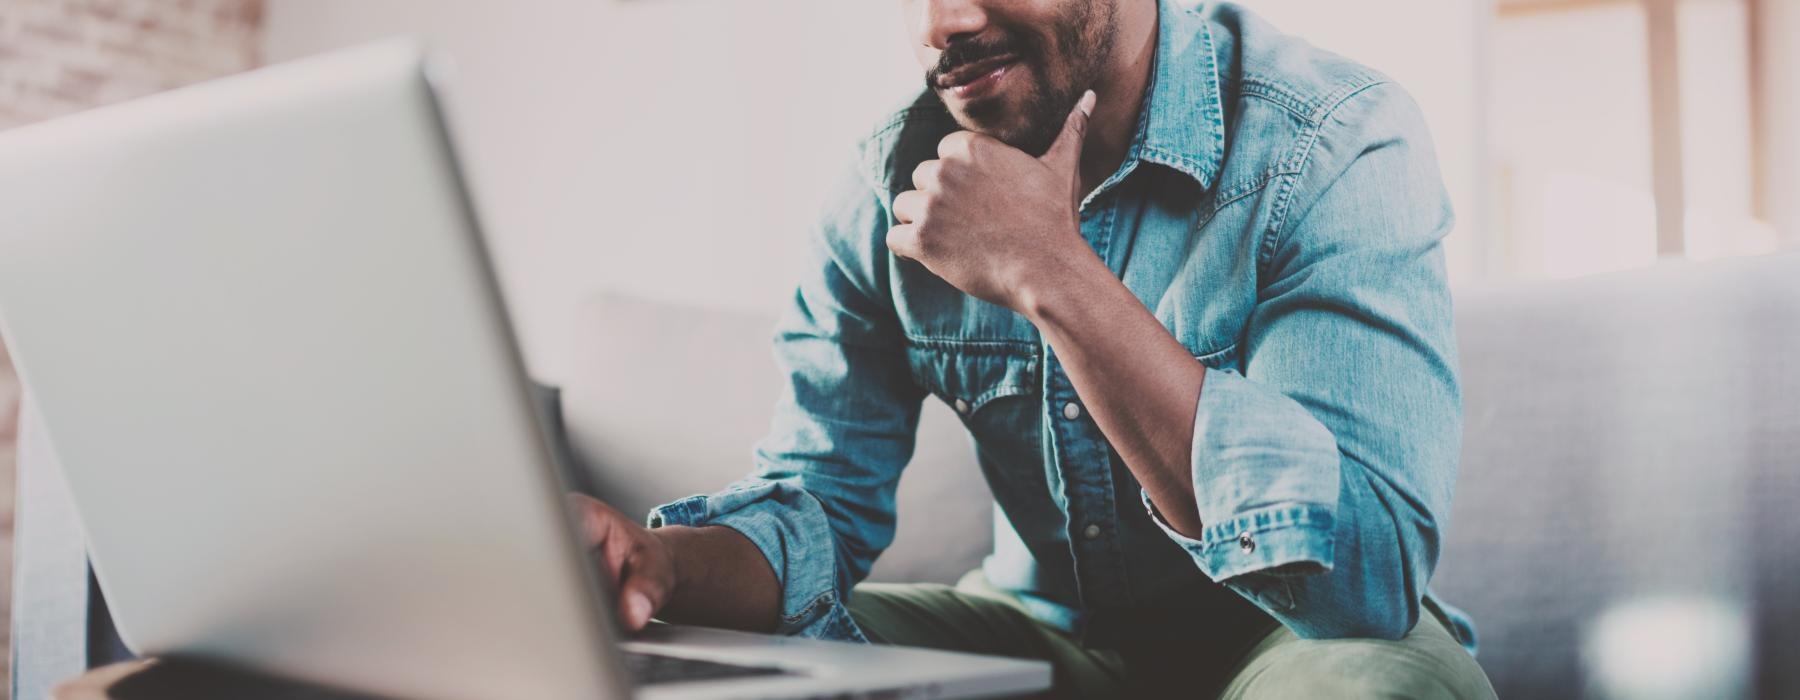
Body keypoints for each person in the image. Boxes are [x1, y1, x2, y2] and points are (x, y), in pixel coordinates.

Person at [569, 0, 1497, 695]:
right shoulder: (885, 187)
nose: (945, 22)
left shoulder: (1329, 141)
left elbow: (1366, 577)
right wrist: (667, 568)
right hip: (1041, 630)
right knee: (736, 666)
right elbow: (821, 504)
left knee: (1378, 687)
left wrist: (1052, 273)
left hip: (1299, 641)